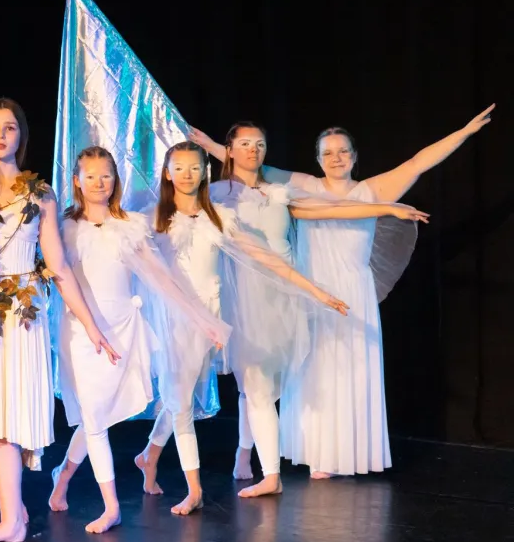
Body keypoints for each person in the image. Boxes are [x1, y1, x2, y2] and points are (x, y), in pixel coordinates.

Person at [189, 107, 491, 477]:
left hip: (354, 293)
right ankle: (316, 454)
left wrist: (463, 131)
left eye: (343, 151)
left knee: (350, 374)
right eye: (328, 153)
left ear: (354, 156)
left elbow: (417, 163)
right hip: (309, 292)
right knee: (309, 376)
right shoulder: (302, 187)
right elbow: (251, 168)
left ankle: (349, 455)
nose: (336, 158)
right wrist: (211, 145)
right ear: (317, 159)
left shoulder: (372, 191)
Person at [199, 122, 427, 497]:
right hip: (254, 292)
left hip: (290, 292)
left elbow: (338, 210)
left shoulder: (282, 195)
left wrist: (387, 207)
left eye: (259, 144)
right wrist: (208, 144)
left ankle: (270, 460)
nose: (252, 150)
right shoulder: (226, 194)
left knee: (269, 385)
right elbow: (236, 168)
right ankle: (248, 458)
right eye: (244, 145)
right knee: (255, 384)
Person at [136, 142, 347, 515]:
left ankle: (150, 455)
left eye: (195, 167)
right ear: (167, 172)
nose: (187, 174)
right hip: (173, 320)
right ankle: (194, 489)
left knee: (179, 391)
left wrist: (314, 290)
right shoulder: (153, 219)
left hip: (211, 320)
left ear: (206, 172)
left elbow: (264, 255)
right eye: (179, 168)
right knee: (181, 401)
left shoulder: (218, 217)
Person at [0, 100, 117, 542]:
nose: (2, 135)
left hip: (21, 315)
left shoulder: (39, 194)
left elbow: (59, 265)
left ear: (22, 136)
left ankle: (12, 521)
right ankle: (14, 512)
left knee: (9, 412)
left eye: (10, 128)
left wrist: (92, 324)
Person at [47, 146, 228, 533]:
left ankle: (61, 478)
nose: (99, 183)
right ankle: (111, 506)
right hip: (82, 330)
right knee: (94, 415)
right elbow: (60, 277)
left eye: (106, 175)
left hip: (122, 328)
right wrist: (89, 327)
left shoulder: (128, 225)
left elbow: (163, 278)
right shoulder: (64, 227)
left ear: (116, 180)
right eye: (90, 175)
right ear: (76, 180)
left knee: (98, 417)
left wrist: (205, 320)